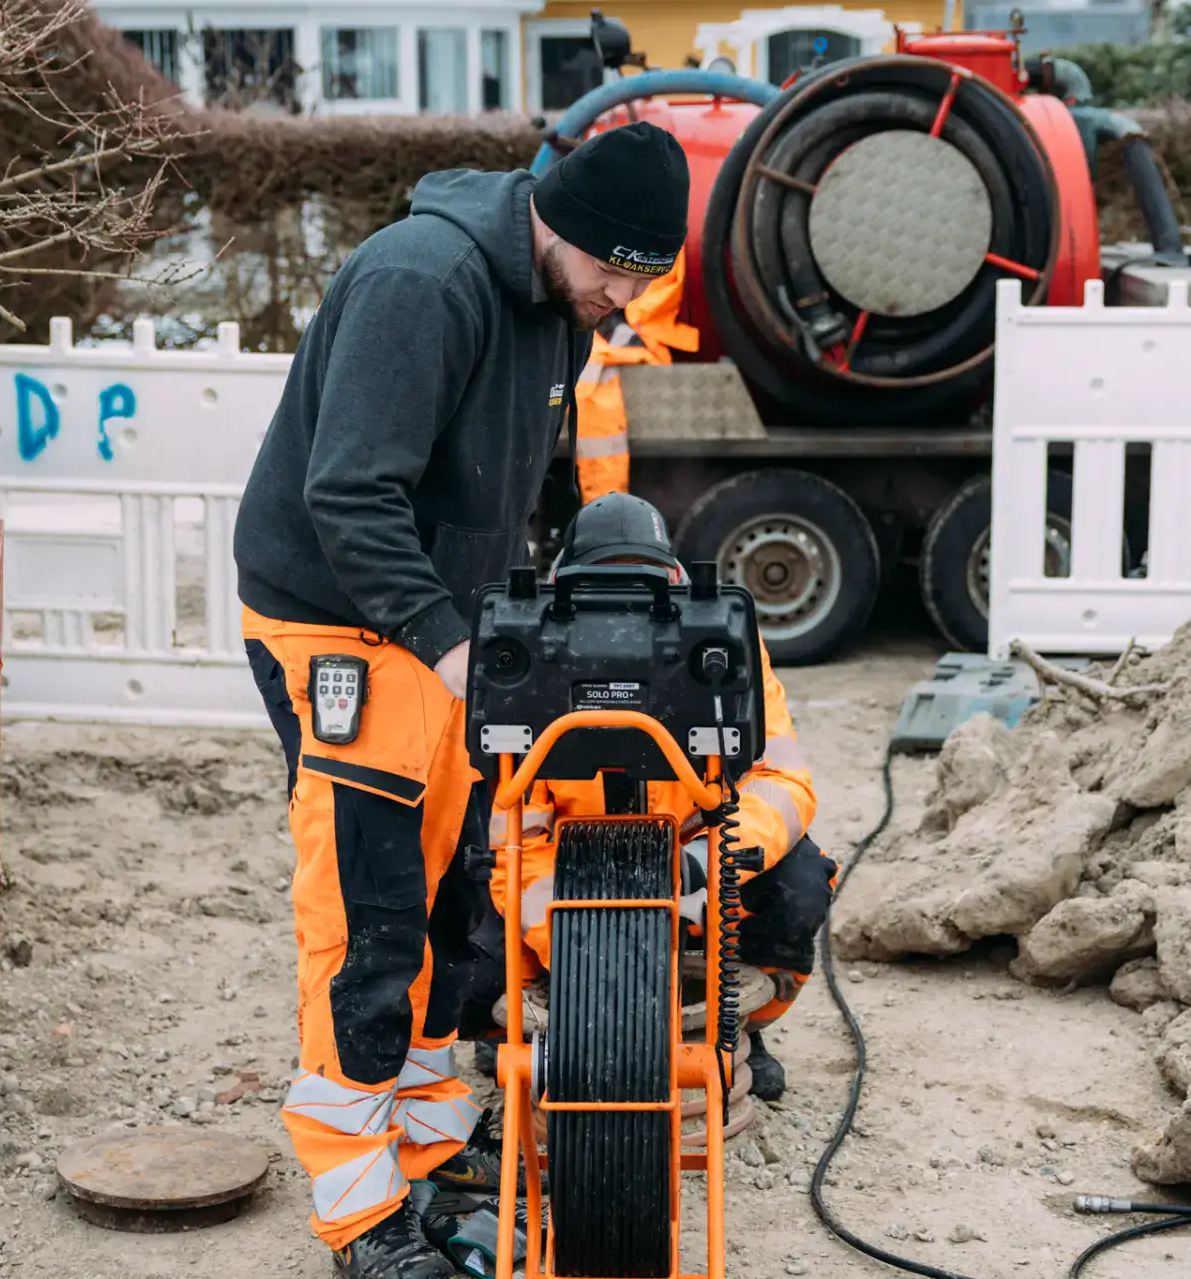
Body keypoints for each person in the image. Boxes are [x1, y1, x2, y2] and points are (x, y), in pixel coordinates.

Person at [231, 124, 692, 1279]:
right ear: (564, 227)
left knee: (452, 899)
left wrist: (549, 602)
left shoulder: (557, 306)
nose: (624, 299)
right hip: (345, 623)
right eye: (617, 272)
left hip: (449, 629)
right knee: (369, 915)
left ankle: (427, 1156)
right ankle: (361, 1219)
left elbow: (526, 471)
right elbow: (351, 491)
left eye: (643, 278)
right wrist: (448, 646)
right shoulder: (419, 282)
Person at [486, 493, 839, 1100]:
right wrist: (584, 943)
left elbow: (782, 783)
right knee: (468, 919)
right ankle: (509, 1037)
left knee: (799, 884)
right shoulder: (529, 661)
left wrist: (706, 869)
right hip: (574, 872)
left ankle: (740, 1025)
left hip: (692, 864)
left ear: (675, 587)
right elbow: (516, 847)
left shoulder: (725, 650)